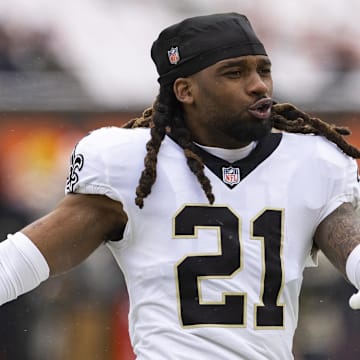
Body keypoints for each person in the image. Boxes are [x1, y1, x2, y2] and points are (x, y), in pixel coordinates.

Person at [0, 12, 360, 359]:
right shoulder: (130, 165)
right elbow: (22, 259)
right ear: (185, 90)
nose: (258, 85)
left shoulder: (312, 162)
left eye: (263, 70)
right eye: (234, 73)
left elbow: (348, 241)